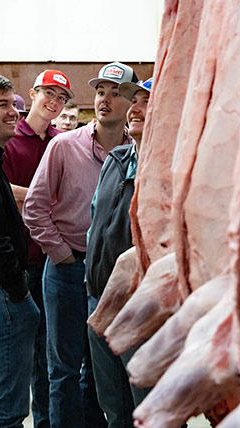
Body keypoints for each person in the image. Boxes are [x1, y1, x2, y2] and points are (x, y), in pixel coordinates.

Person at [23, 62, 139, 428]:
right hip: (68, 270)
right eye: (101, 91)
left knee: (103, 367)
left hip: (113, 275)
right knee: (63, 369)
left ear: (133, 102)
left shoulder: (137, 154)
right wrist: (62, 255)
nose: (105, 100)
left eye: (115, 93)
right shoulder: (64, 146)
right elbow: (35, 207)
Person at [2, 69, 74, 428]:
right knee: (23, 353)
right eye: (48, 93)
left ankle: (49, 421)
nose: (54, 102)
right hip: (23, 258)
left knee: (54, 353)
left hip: (57, 259)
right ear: (32, 93)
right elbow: (2, 188)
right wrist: (41, 198)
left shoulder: (65, 142)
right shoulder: (11, 139)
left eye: (61, 98)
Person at [85, 78, 153, 428]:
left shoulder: (168, 166)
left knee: (150, 406)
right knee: (113, 404)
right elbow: (96, 218)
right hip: (99, 296)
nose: (135, 107)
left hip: (143, 306)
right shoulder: (117, 158)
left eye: (145, 101)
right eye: (135, 100)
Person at [0, 73, 40, 428]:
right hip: (3, 294)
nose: (14, 112)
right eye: (2, 105)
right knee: (9, 410)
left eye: (15, 104)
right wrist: (19, 290)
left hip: (2, 292)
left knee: (3, 404)